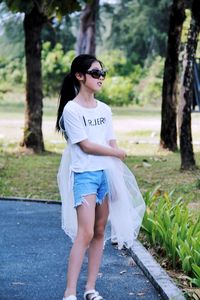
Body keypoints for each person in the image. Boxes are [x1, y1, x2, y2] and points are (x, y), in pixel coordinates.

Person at [56, 54, 146, 300]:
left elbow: (110, 139)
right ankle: (70, 292)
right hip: (85, 175)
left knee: (99, 231)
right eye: (95, 73)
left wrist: (116, 172)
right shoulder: (71, 110)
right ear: (80, 76)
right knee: (84, 233)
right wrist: (116, 152)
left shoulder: (104, 109)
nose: (101, 77)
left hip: (106, 176)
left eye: (102, 73)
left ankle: (90, 289)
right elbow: (85, 145)